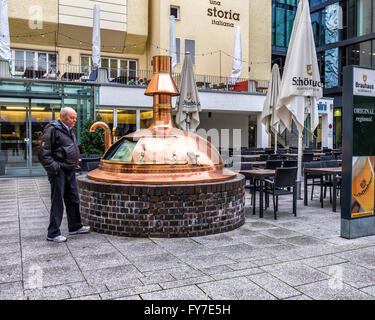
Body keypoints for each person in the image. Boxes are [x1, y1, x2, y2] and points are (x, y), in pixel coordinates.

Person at [38, 107, 90, 243]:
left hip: (70, 170)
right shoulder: (52, 130)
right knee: (57, 202)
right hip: (59, 171)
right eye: (72, 118)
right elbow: (43, 153)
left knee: (73, 199)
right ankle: (53, 233)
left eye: (75, 118)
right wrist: (55, 168)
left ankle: (75, 226)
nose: (75, 120)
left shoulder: (69, 130)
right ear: (63, 118)